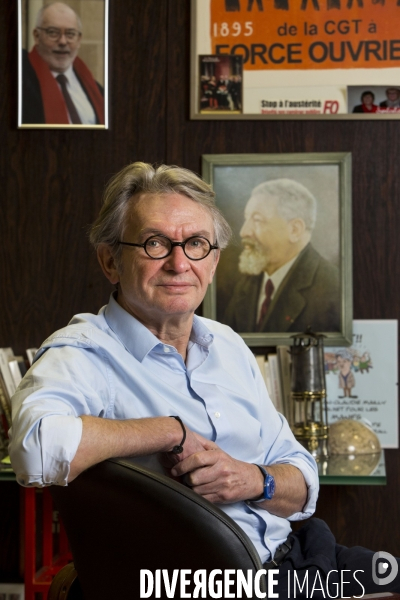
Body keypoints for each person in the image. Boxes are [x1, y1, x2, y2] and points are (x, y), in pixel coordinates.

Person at [9, 163, 399, 596]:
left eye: (195, 244)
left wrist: (254, 479)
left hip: (298, 558)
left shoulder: (228, 345)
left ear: (212, 262)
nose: (179, 263)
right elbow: (34, 451)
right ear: (110, 261)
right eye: (155, 243)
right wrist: (168, 430)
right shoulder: (83, 352)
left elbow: (302, 481)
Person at [224, 178, 340, 334]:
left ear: (295, 230)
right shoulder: (245, 285)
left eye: (257, 220)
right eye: (247, 219)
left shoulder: (332, 288)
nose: (244, 231)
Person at [21, 2, 104, 125]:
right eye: (53, 32)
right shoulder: (19, 82)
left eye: (70, 34)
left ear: (79, 40)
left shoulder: (97, 90)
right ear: (37, 36)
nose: (63, 42)